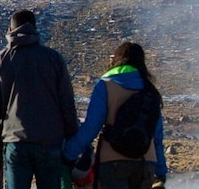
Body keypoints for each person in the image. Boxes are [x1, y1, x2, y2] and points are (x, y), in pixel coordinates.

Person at [0, 10, 78, 189]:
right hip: (50, 142)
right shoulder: (53, 59)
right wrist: (73, 143)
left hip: (16, 142)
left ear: (10, 30)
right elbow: (67, 104)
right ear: (35, 29)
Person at [64, 43, 168, 189]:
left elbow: (91, 128)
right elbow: (156, 137)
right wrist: (161, 172)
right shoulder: (150, 91)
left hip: (112, 162)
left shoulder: (106, 85)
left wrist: (69, 154)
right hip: (146, 162)